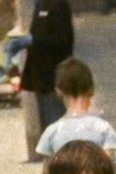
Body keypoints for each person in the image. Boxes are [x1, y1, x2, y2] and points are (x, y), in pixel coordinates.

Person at [20, 0, 74, 162]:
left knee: (56, 129)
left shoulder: (57, 4)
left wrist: (33, 41)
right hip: (41, 80)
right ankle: (54, 168)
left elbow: (64, 41)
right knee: (50, 131)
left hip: (53, 79)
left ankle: (62, 167)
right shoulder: (41, 4)